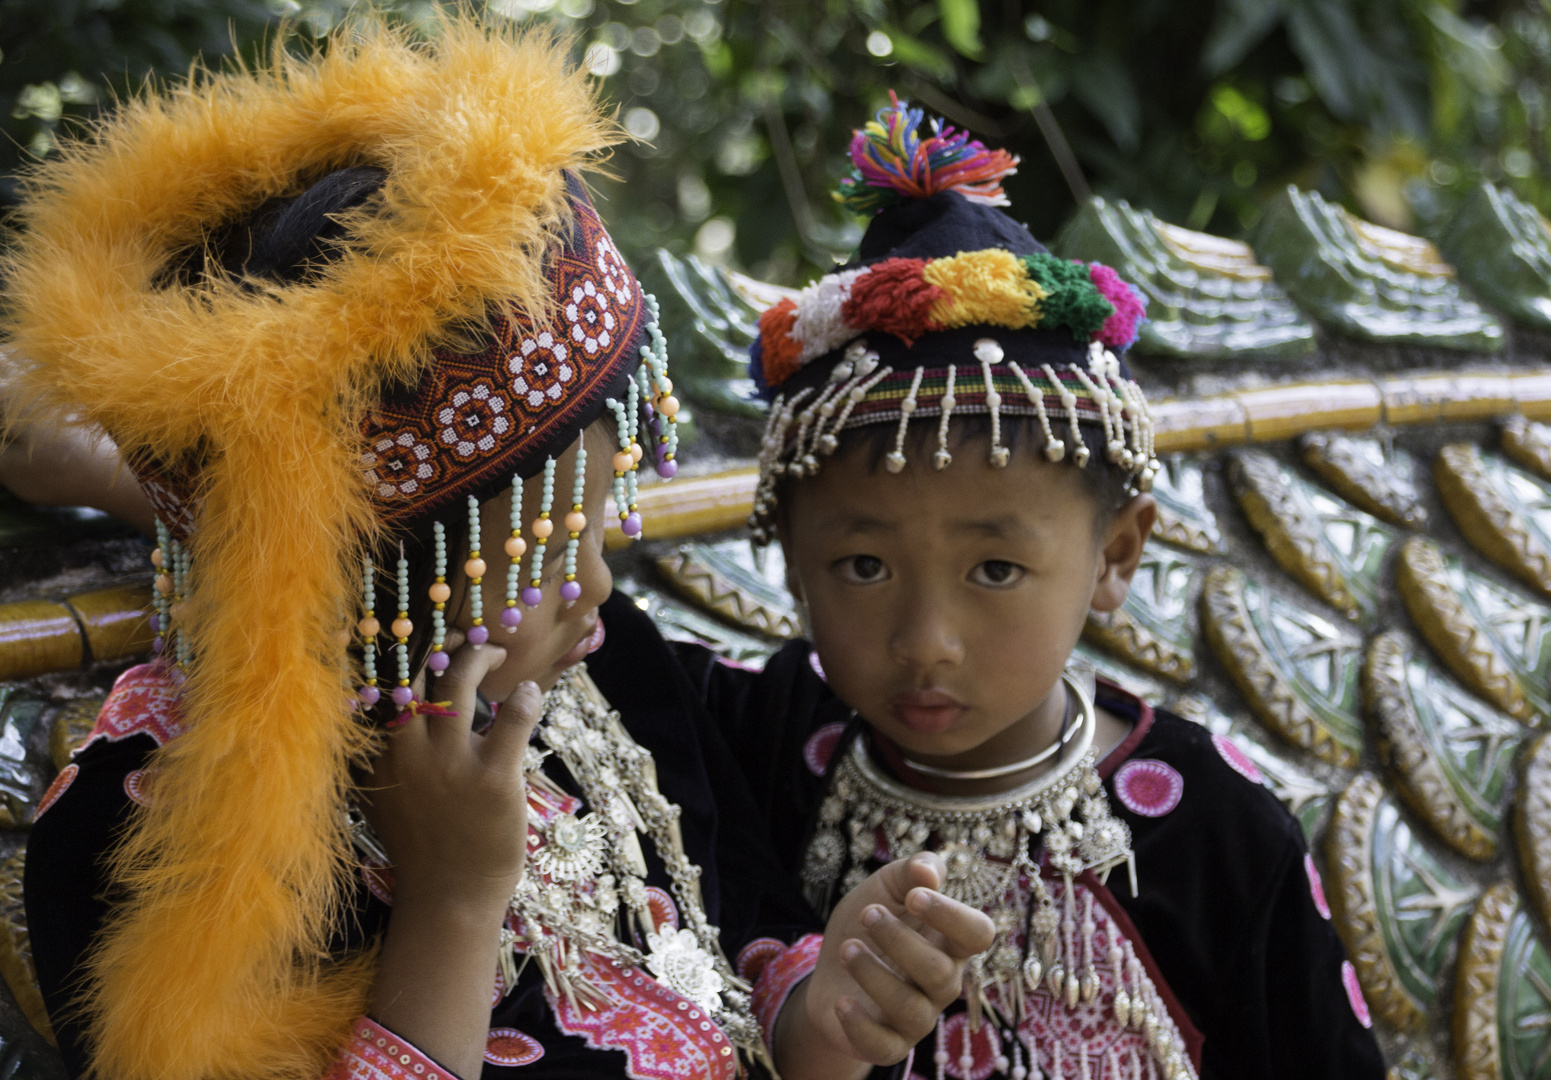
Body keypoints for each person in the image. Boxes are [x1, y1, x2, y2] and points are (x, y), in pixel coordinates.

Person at [8, 29, 991, 1080]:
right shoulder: (153, 844)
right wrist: (452, 899)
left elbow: (736, 937)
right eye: (540, 553)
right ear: (357, 589)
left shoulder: (601, 671)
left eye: (599, 527)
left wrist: (822, 1019)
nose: (603, 594)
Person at [677, 98, 1387, 1080]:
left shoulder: (1208, 824)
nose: (927, 639)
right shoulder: (765, 743)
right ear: (791, 560)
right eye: (863, 567)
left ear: (1116, 558)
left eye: (997, 569)